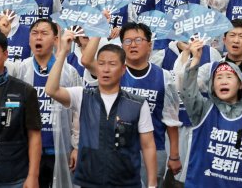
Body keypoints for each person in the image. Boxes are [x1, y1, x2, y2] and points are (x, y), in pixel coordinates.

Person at [46, 31, 158, 188]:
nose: (106, 69)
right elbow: (51, 90)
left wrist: (152, 184)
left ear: (123, 69)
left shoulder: (138, 104)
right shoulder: (82, 95)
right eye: (101, 63)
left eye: (112, 64)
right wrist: (63, 52)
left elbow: (148, 146)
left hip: (126, 183)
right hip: (89, 181)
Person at [81, 22, 182, 186]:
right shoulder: (112, 72)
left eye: (138, 40)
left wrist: (175, 155)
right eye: (127, 41)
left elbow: (171, 119)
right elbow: (86, 60)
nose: (132, 45)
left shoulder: (164, 77)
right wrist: (99, 27)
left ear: (150, 45)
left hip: (153, 151)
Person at [0, 16, 82, 188]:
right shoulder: (20, 69)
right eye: (34, 33)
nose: (38, 37)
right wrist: (3, 35)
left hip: (59, 149)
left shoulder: (69, 72)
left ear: (56, 39)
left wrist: (76, 146)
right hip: (27, 149)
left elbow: (77, 113)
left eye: (44, 33)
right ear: (29, 40)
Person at [180, 39, 242, 187]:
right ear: (212, 86)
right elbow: (188, 91)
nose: (223, 81)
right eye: (218, 78)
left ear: (240, 84)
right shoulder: (203, 110)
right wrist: (195, 59)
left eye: (229, 77)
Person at [0, 29, 42, 188]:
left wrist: (33, 176)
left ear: (5, 54)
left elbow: (34, 136)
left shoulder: (24, 91)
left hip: (13, 177)